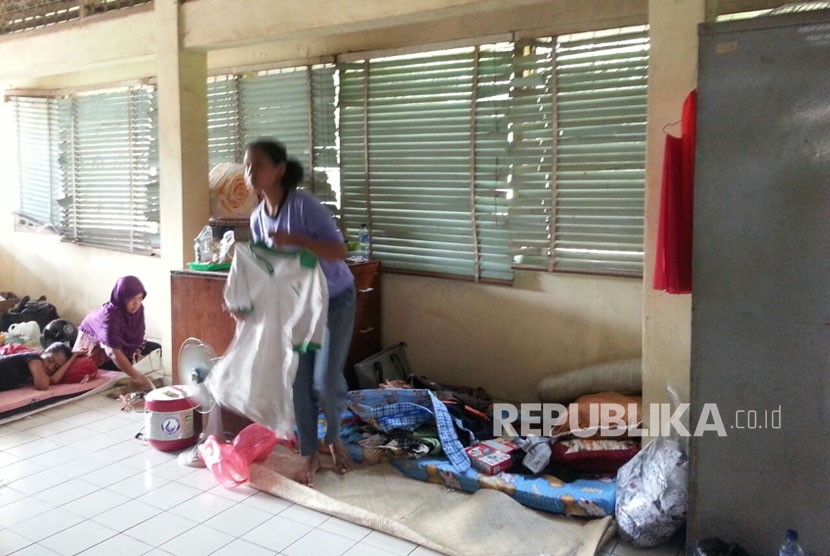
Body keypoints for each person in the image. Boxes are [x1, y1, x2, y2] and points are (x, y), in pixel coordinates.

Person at [245, 139, 356, 486]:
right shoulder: (257, 219)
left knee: (325, 380)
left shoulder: (304, 206)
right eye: (247, 166)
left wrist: (298, 239)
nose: (250, 173)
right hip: (297, 308)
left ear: (279, 169)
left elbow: (339, 250)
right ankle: (310, 451)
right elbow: (266, 270)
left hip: (335, 299)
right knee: (298, 382)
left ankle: (333, 436)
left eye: (257, 165)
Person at [74, 276, 157, 391]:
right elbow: (112, 352)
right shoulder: (110, 316)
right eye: (132, 299)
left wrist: (136, 351)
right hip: (98, 348)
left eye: (139, 298)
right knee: (122, 368)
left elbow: (139, 333)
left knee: (157, 350)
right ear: (122, 298)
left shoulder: (139, 309)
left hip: (119, 344)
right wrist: (137, 376)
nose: (136, 303)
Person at [0, 342, 78, 391]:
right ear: (43, 353)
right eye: (50, 360)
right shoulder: (34, 359)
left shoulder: (39, 373)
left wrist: (74, 356)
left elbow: (53, 380)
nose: (50, 367)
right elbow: (42, 385)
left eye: (56, 367)